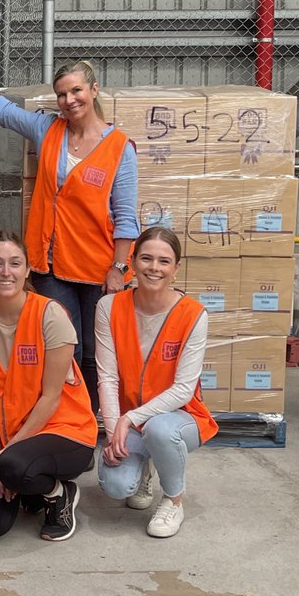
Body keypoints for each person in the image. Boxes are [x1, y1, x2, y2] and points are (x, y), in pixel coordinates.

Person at [0, 61, 140, 416]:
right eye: (61, 94)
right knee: (64, 349)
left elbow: (125, 217)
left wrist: (119, 268)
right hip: (50, 265)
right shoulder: (49, 130)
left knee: (93, 353)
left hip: (97, 268)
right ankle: (60, 421)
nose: (69, 100)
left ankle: (88, 424)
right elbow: (2, 111)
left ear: (94, 90)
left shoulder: (120, 148)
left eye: (76, 90)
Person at [0, 231, 98, 545]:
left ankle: (59, 494)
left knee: (14, 466)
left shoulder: (50, 315)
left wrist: (6, 458)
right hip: (9, 441)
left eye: (14, 263)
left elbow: (51, 398)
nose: (5, 272)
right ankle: (26, 484)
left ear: (26, 270)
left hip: (64, 431)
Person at [95, 226, 217, 538]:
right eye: (146, 258)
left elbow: (182, 389)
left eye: (164, 261)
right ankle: (143, 469)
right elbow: (107, 377)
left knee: (159, 429)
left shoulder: (193, 315)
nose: (154, 267)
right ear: (132, 262)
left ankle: (174, 500)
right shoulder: (108, 308)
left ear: (176, 269)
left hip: (181, 417)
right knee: (117, 485)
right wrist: (113, 435)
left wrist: (130, 418)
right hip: (129, 418)